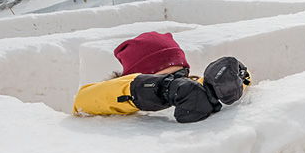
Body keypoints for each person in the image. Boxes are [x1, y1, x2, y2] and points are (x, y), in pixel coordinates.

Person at [73, 31, 251, 123]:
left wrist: (231, 82)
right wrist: (158, 90)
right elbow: (83, 101)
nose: (176, 81)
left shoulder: (190, 89)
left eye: (180, 74)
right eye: (163, 78)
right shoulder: (120, 96)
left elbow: (220, 83)